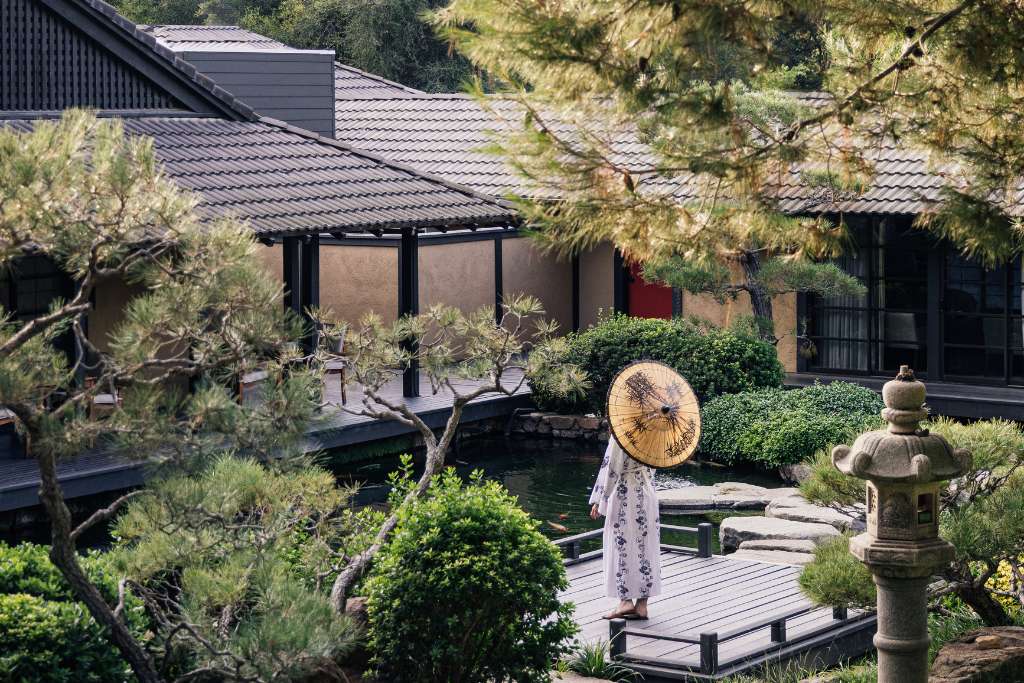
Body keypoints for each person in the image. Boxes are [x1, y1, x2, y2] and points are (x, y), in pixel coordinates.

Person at [589, 439, 661, 620]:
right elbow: (656, 466)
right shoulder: (654, 432)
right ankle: (642, 605)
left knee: (620, 544)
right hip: (647, 492)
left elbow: (611, 468)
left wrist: (600, 500)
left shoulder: (623, 434)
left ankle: (625, 601)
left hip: (625, 493)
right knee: (646, 547)